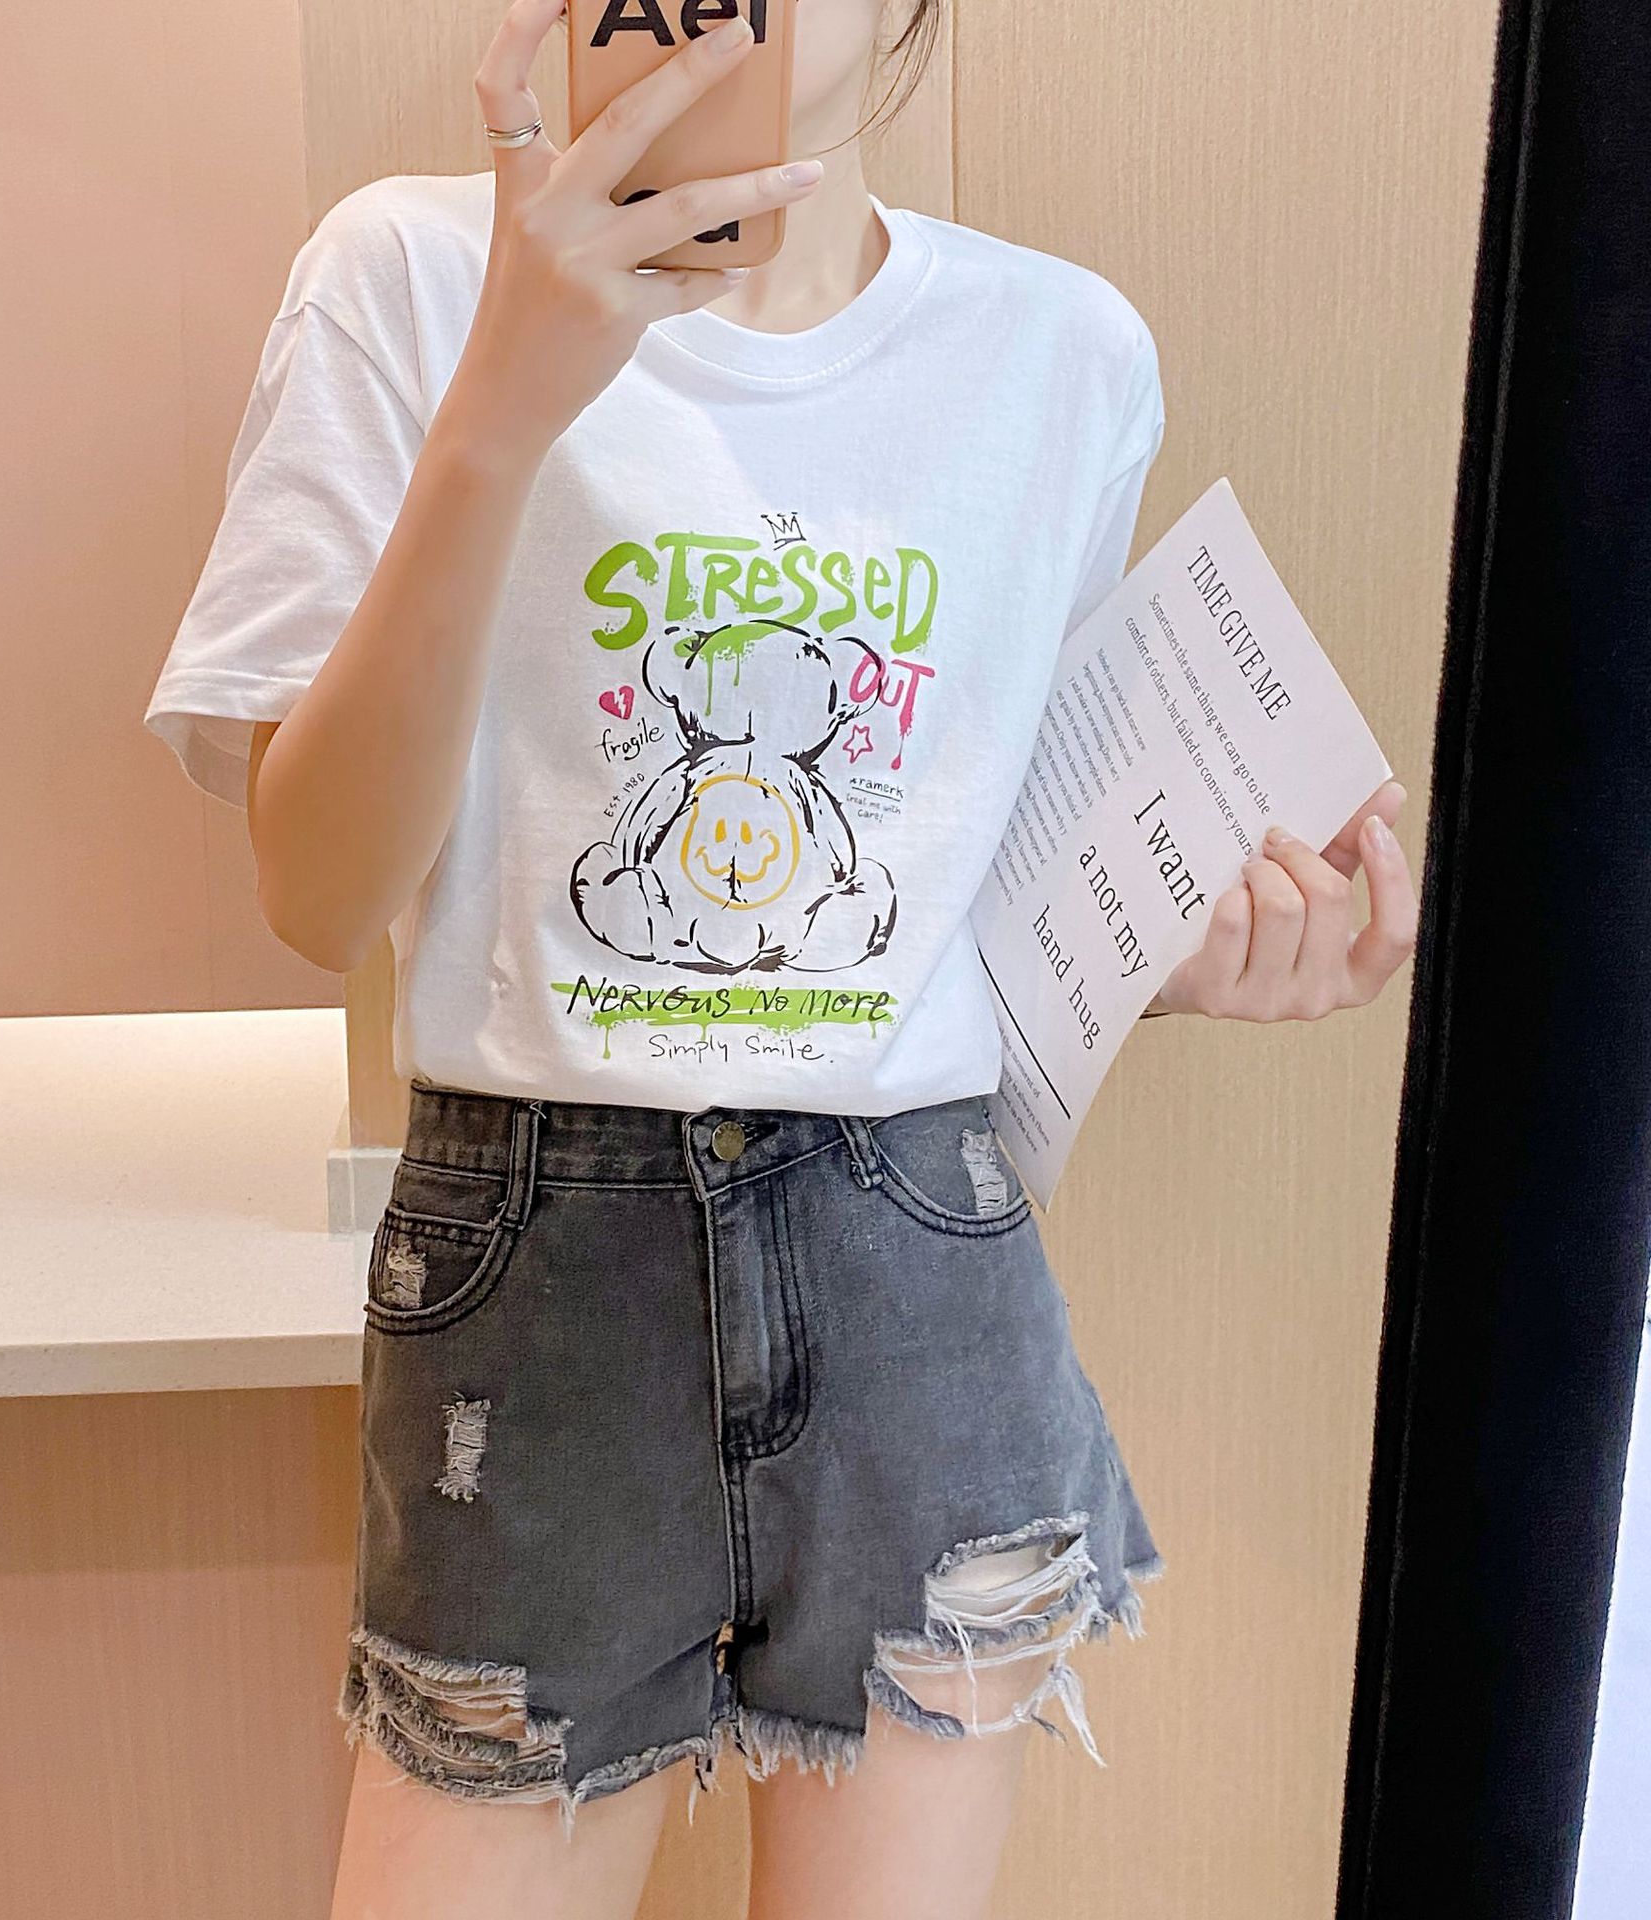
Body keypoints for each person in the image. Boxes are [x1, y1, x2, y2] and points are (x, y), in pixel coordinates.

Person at [142, 2, 1416, 1914]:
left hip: (922, 1274)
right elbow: (317, 894)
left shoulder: (1062, 354)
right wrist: (506, 403)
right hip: (542, 1285)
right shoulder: (404, 276)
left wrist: (1199, 944)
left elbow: (974, 886)